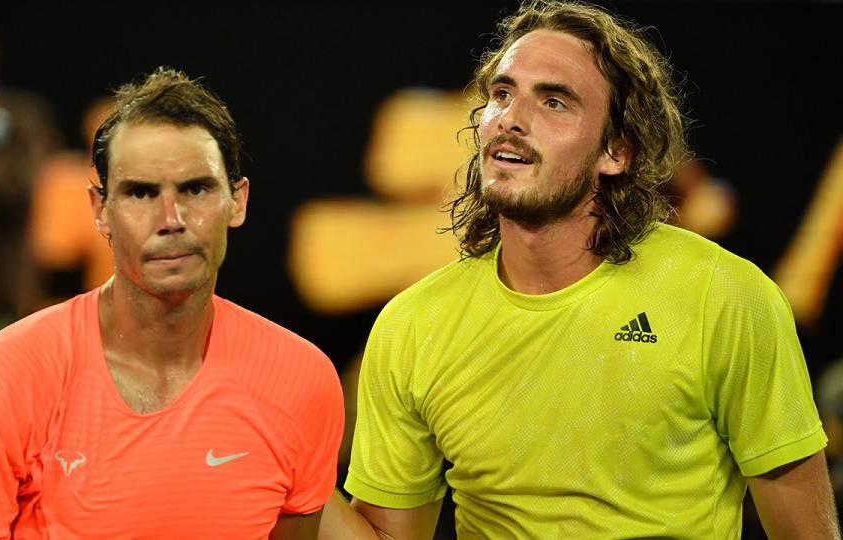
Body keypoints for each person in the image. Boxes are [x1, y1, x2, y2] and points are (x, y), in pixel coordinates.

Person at [320, 1, 838, 538]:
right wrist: (296, 476)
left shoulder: (724, 295)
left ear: (615, 151)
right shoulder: (412, 325)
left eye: (553, 101)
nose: (511, 119)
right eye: (502, 94)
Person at [0, 67, 343, 539]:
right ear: (100, 211)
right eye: (141, 193)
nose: (171, 219)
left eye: (195, 188)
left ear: (238, 201)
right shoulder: (19, 368)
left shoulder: (300, 379)